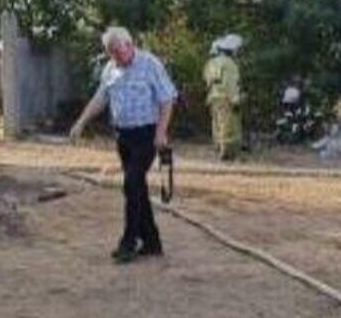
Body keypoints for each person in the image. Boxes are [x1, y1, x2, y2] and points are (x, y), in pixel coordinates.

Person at [69, 26, 177, 264]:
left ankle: (129, 241)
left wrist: (161, 133)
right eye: (111, 53)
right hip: (123, 136)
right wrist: (81, 122)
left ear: (129, 44)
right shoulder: (110, 68)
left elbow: (167, 99)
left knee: (131, 184)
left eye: (118, 52)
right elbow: (101, 97)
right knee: (136, 187)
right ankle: (152, 242)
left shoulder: (150, 64)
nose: (115, 57)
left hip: (146, 134)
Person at [203, 34, 242, 161]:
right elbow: (230, 84)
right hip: (225, 97)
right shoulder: (230, 64)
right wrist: (235, 99)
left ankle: (218, 147)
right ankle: (226, 153)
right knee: (227, 125)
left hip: (213, 97)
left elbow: (206, 79)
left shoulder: (212, 62)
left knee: (217, 124)